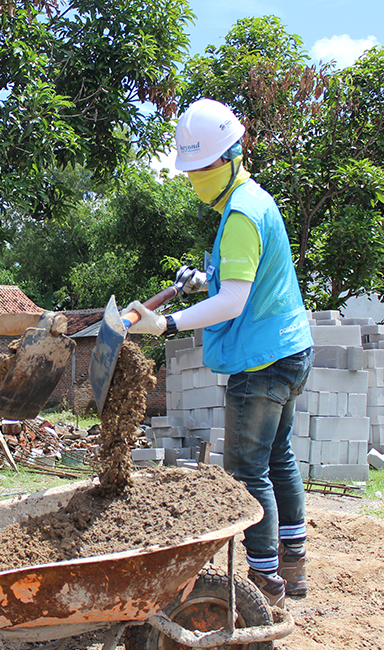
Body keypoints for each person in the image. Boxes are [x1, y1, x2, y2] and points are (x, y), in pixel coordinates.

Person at [122, 98, 314, 609]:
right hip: (289, 349)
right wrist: (200, 282)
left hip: (262, 362)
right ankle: (292, 568)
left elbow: (234, 301)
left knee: (248, 471)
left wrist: (167, 322)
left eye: (201, 167)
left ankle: (265, 580)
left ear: (230, 155)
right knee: (279, 459)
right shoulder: (253, 200)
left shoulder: (241, 217)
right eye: (190, 170)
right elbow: (238, 283)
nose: (195, 178)